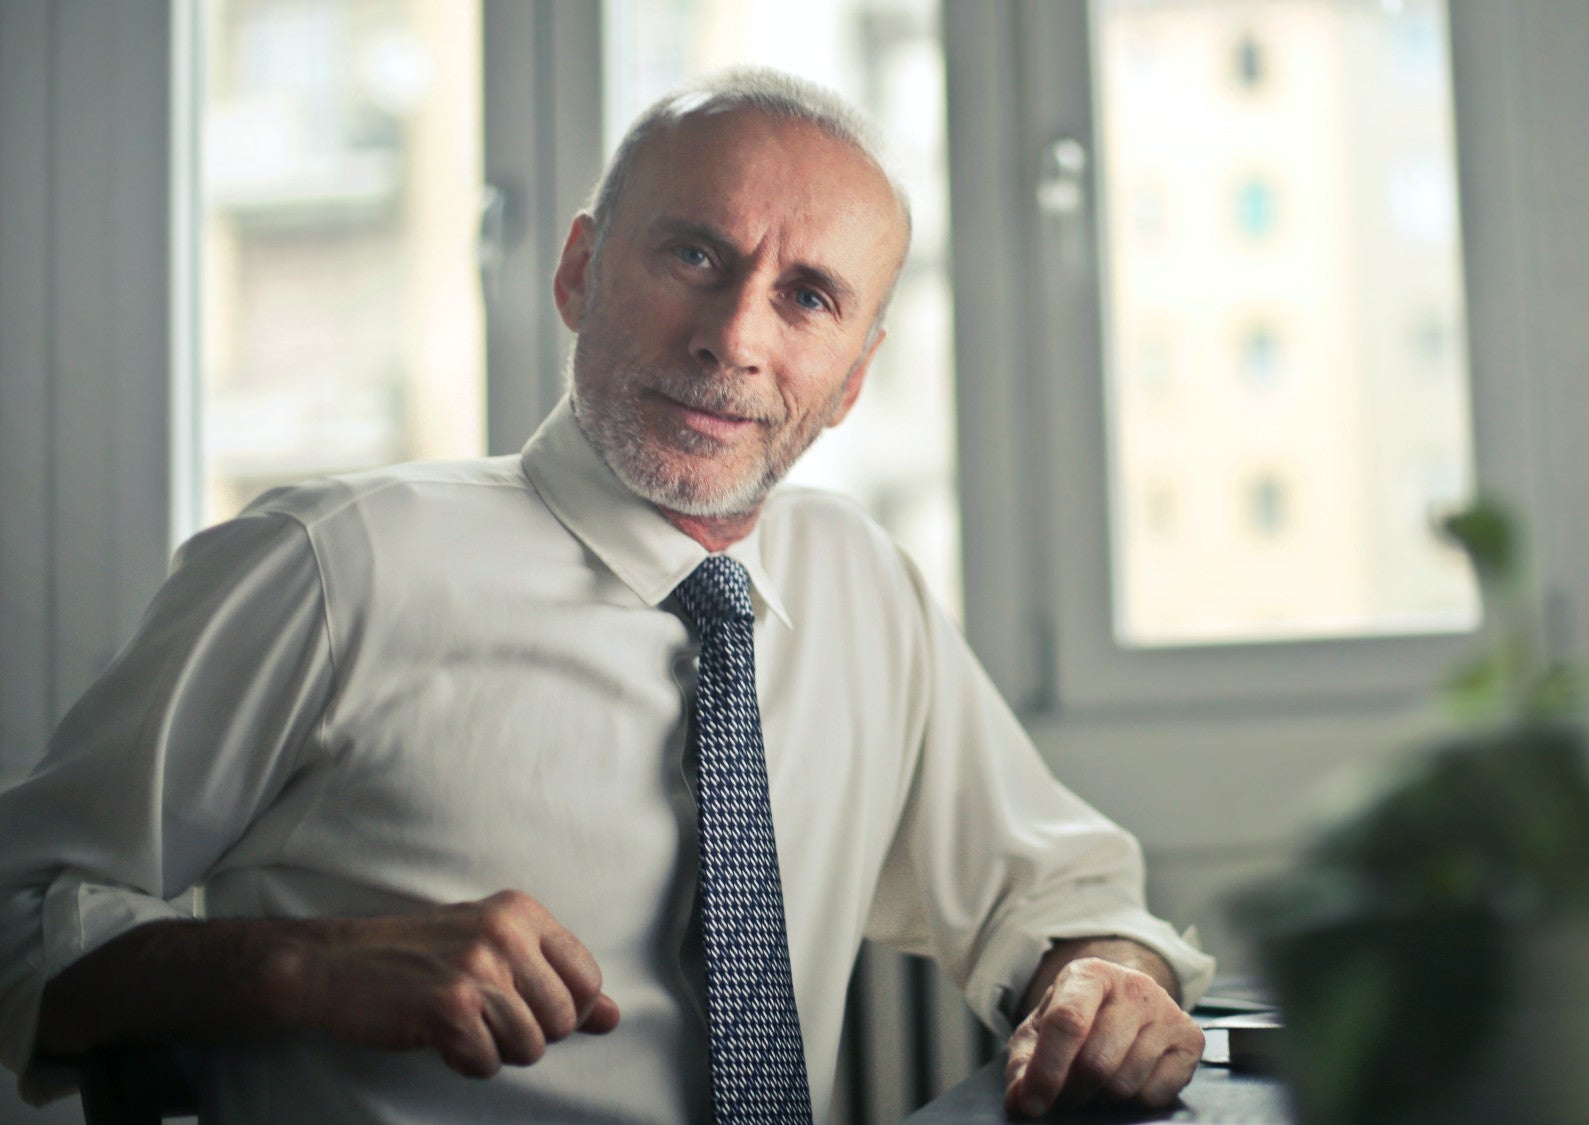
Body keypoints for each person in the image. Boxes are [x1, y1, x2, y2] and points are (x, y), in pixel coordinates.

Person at [0, 68, 1212, 1122]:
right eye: (695, 254)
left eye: (807, 298)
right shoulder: (331, 566)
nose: (733, 336)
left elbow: (1055, 893)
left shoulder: (859, 579)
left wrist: (1099, 980)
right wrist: (296, 970)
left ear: (849, 382)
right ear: (580, 270)